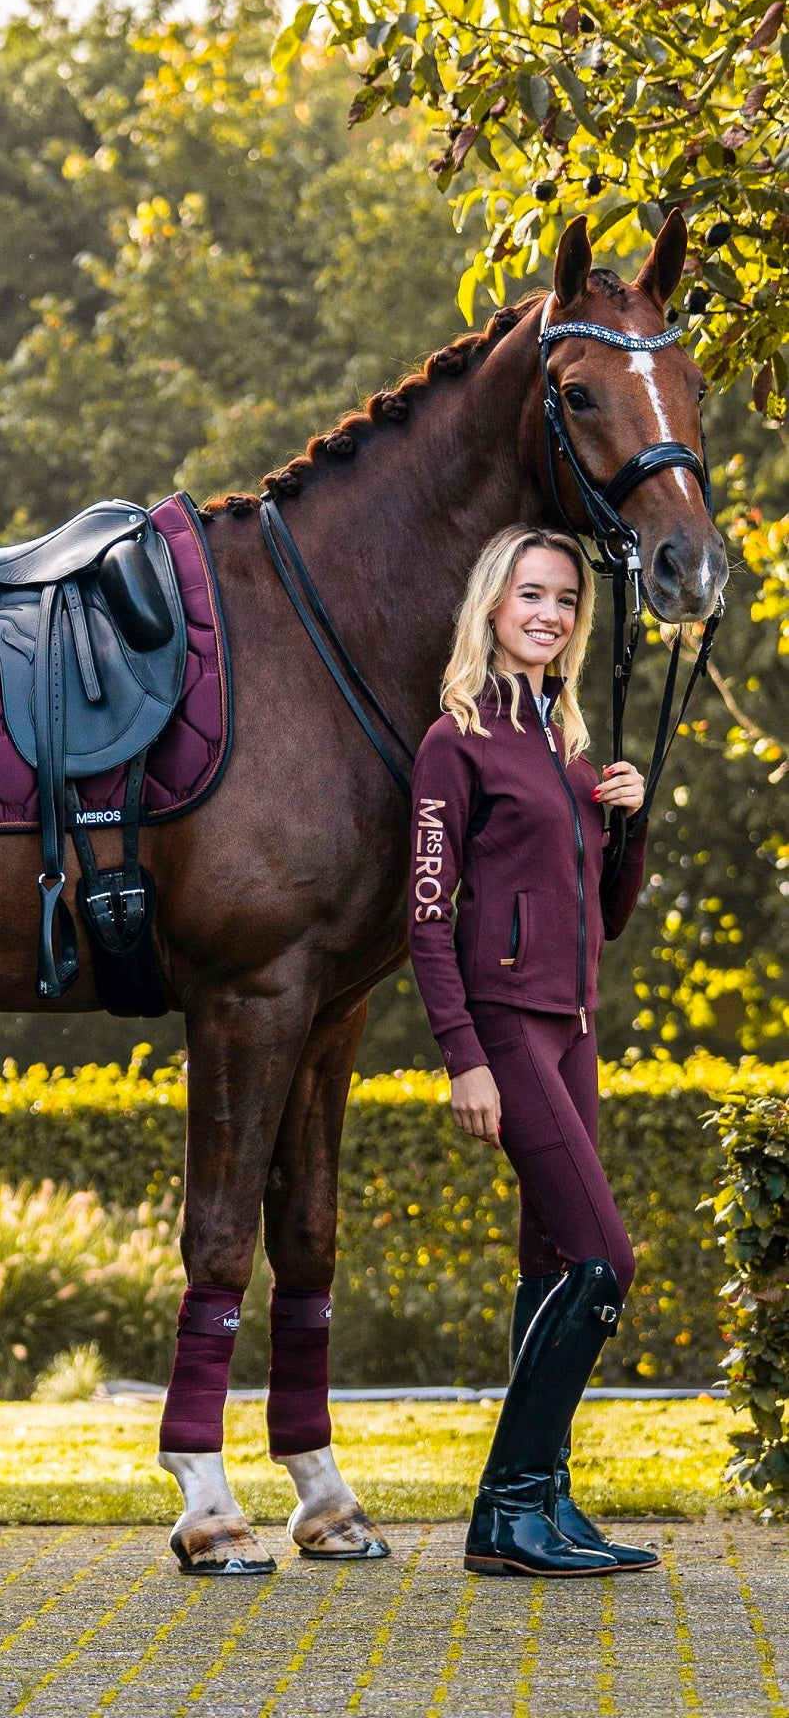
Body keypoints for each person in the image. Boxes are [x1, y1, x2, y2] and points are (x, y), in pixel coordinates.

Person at [407, 524, 661, 1578]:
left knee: (553, 1260)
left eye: (564, 598)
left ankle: (545, 1502)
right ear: (492, 606)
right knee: (608, 1259)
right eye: (530, 594)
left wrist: (628, 822)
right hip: (505, 1020)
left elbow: (604, 912)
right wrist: (463, 1054)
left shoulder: (568, 745)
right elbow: (425, 916)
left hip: (573, 1024)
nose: (549, 613)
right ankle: (505, 1506)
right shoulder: (452, 740)